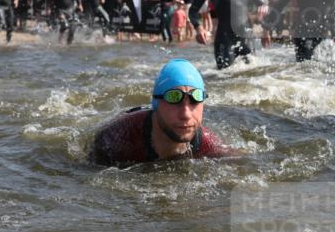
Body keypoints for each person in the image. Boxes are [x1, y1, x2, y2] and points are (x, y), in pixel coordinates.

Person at [90, 59, 237, 166]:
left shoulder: (208, 144)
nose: (186, 114)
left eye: (194, 100)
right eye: (174, 99)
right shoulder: (118, 138)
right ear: (156, 104)